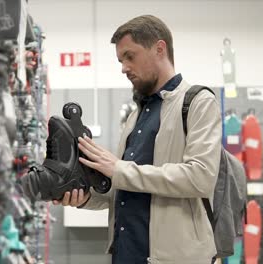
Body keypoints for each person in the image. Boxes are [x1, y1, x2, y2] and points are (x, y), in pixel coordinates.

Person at [53, 15, 222, 264]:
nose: (123, 67)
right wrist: (86, 197)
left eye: (130, 56)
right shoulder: (136, 115)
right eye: (121, 60)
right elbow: (125, 189)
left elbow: (200, 178)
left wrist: (118, 169)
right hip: (126, 254)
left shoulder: (198, 102)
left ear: (159, 49)